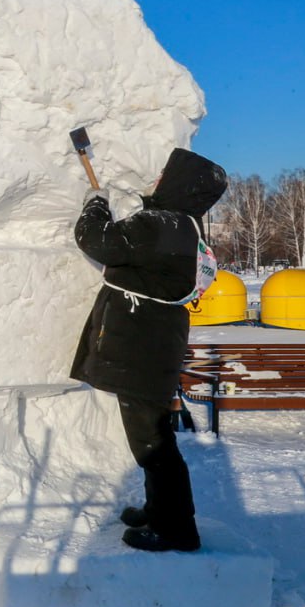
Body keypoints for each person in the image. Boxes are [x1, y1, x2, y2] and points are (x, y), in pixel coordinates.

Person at [70, 147, 227, 552]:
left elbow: (100, 241)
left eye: (163, 176)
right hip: (154, 346)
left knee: (154, 444)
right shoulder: (184, 226)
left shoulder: (162, 224)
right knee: (153, 439)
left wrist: (96, 204)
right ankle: (160, 509)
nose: (156, 180)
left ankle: (175, 528)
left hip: (142, 350)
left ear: (177, 183)